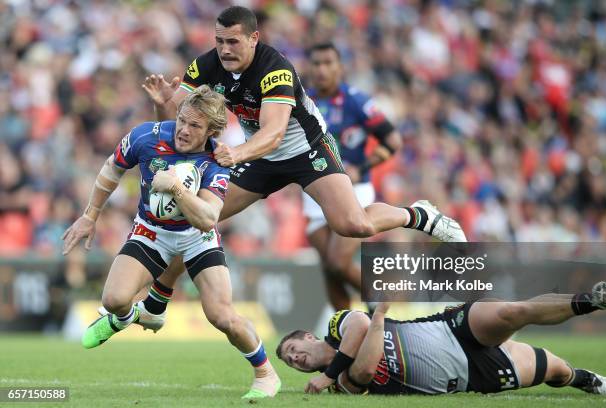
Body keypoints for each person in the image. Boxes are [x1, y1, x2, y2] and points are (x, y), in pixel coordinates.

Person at [133, 5, 466, 330]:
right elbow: (180, 132)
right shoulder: (205, 65)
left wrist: (236, 154)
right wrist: (163, 105)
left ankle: (419, 215)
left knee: (354, 224)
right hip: (260, 156)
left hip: (304, 150)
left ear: (254, 39)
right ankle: (157, 301)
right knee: (197, 214)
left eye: (233, 42)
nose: (224, 49)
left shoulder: (275, 68)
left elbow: (275, 133)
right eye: (219, 41)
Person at [61, 85, 281, 399]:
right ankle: (130, 316)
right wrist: (90, 215)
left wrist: (177, 189)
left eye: (195, 126)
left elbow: (207, 218)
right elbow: (112, 167)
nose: (184, 130)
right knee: (113, 300)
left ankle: (266, 375)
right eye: (182, 120)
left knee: (221, 315)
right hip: (151, 232)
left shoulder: (217, 160)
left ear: (212, 131)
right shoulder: (145, 136)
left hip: (197, 239)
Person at [276, 282, 606, 395]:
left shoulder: (337, 326)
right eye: (291, 362)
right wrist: (379, 317)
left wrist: (371, 323)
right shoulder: (334, 387)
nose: (295, 358)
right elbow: (362, 372)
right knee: (556, 370)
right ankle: (586, 379)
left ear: (307, 336)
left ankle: (591, 301)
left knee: (513, 312)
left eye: (293, 349)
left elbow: (359, 325)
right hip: (470, 375)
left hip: (449, 328)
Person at [302, 42, 403, 311]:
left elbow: (392, 140)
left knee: (337, 262)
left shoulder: (357, 101)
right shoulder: (303, 102)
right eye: (316, 63)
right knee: (329, 269)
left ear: (340, 67)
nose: (321, 69)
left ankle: (379, 301)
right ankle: (344, 332)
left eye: (328, 63)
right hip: (315, 192)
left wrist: (364, 166)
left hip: (353, 190)